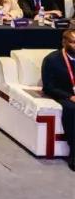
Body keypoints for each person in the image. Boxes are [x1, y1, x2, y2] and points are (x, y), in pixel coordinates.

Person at [38, 28, 75, 171]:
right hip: (63, 94)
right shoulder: (52, 60)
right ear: (64, 43)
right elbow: (48, 87)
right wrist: (70, 96)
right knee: (72, 109)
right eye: (73, 42)